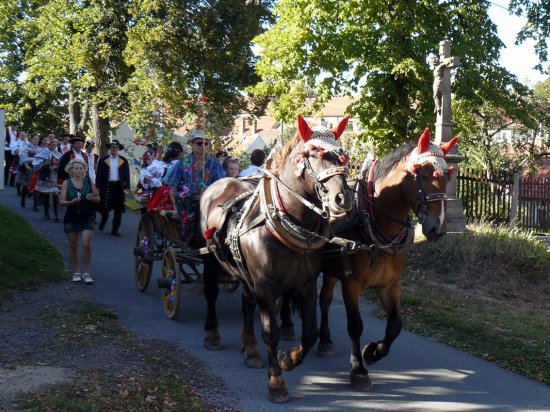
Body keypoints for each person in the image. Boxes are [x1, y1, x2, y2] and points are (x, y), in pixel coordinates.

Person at [162, 131, 224, 236]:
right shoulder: (182, 163)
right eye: (199, 143)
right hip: (188, 200)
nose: (203, 146)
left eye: (206, 144)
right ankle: (187, 231)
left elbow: (221, 184)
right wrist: (176, 208)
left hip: (209, 199)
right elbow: (173, 187)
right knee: (180, 196)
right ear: (192, 146)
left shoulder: (215, 164)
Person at [59, 159, 100, 284]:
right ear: (71, 170)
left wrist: (91, 198)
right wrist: (71, 202)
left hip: (88, 216)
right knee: (73, 245)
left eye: (81, 168)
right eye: (76, 168)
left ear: (84, 170)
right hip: (72, 216)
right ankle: (76, 272)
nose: (78, 170)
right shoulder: (67, 183)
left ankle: (86, 272)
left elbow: (98, 198)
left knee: (86, 244)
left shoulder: (88, 181)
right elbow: (62, 201)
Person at [95, 139, 131, 236]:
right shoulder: (103, 160)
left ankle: (115, 230)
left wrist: (127, 187)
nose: (114, 149)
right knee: (104, 207)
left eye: (116, 147)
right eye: (112, 147)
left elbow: (127, 175)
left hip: (119, 187)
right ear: (110, 148)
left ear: (119, 149)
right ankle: (104, 219)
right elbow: (99, 174)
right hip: (106, 186)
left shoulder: (123, 160)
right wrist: (97, 186)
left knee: (118, 210)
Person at [33, 137, 62, 221]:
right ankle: (46, 213)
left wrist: (59, 169)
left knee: (56, 195)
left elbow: (61, 165)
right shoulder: (43, 153)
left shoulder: (58, 154)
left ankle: (56, 214)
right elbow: (36, 167)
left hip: (55, 177)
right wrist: (44, 165)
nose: (54, 146)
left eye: (56, 145)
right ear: (49, 145)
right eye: (53, 144)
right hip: (45, 176)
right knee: (46, 195)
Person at [18, 133, 39, 209]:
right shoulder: (26, 146)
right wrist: (26, 165)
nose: (37, 140)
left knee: (35, 184)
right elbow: (22, 156)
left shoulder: (38, 147)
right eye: (35, 138)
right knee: (26, 184)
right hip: (26, 167)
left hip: (35, 167)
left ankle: (31, 195)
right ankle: (23, 198)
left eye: (37, 139)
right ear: (31, 139)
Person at [4, 121, 18, 186]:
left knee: (14, 166)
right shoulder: (7, 132)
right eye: (13, 125)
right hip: (7, 149)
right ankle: (6, 180)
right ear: (11, 125)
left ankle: (12, 182)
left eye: (15, 125)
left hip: (14, 151)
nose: (14, 126)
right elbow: (3, 140)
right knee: (8, 165)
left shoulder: (18, 133)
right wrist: (6, 144)